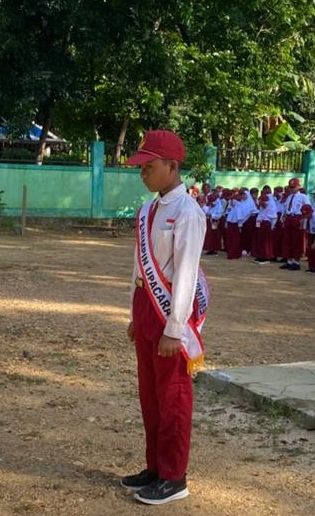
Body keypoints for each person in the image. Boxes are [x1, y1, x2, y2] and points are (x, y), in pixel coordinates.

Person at [120, 130, 208, 506]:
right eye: (141, 168)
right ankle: (155, 467)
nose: (143, 174)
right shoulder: (148, 210)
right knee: (150, 394)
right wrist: (133, 313)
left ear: (172, 167)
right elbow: (138, 267)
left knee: (172, 395)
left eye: (149, 167)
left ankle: (174, 476)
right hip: (146, 306)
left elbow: (186, 274)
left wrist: (175, 329)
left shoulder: (188, 213)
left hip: (169, 311)